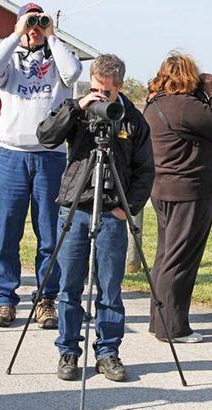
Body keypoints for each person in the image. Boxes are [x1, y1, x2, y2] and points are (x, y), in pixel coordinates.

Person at [36, 54, 154, 382]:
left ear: (120, 86)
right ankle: (68, 351)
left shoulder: (133, 120)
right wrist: (79, 107)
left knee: (110, 288)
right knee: (70, 285)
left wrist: (126, 208)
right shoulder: (79, 108)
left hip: (112, 212)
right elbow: (46, 136)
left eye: (108, 92)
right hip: (76, 207)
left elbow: (146, 171)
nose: (102, 96)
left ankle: (107, 352)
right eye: (96, 88)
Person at [0, 2, 82, 329]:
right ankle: (5, 299)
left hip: (50, 156)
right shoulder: (9, 62)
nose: (35, 29)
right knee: (8, 229)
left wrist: (52, 36)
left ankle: (46, 298)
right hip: (12, 154)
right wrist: (16, 34)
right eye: (30, 23)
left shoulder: (57, 61)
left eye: (39, 23)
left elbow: (74, 73)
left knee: (50, 232)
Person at [144, 52, 212, 343]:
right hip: (189, 191)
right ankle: (174, 328)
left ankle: (158, 321)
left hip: (162, 189)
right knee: (180, 260)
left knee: (165, 256)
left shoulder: (154, 103)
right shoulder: (186, 105)